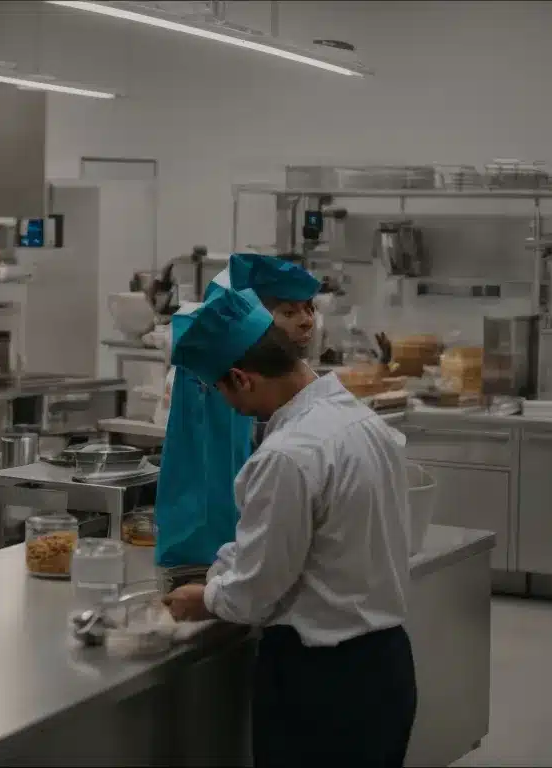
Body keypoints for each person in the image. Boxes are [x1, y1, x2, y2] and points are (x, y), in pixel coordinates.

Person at [161, 287, 417, 768]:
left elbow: (259, 589)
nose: (231, 409)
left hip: (321, 685)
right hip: (385, 668)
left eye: (222, 393)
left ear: (241, 378)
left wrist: (206, 597)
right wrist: (225, 569)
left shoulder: (289, 455)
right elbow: (294, 539)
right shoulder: (362, 422)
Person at [154, 252, 322, 591]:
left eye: (309, 309)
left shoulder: (300, 399)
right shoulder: (207, 387)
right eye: (288, 311)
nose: (306, 321)